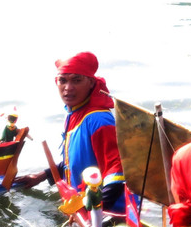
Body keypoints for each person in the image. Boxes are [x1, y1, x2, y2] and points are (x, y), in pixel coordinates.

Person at [15, 51, 125, 212]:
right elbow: (79, 160)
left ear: (91, 83)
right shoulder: (74, 113)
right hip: (81, 202)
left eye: (77, 80)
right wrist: (42, 176)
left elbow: (117, 172)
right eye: (63, 80)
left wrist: (92, 209)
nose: (68, 88)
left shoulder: (99, 120)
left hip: (107, 210)